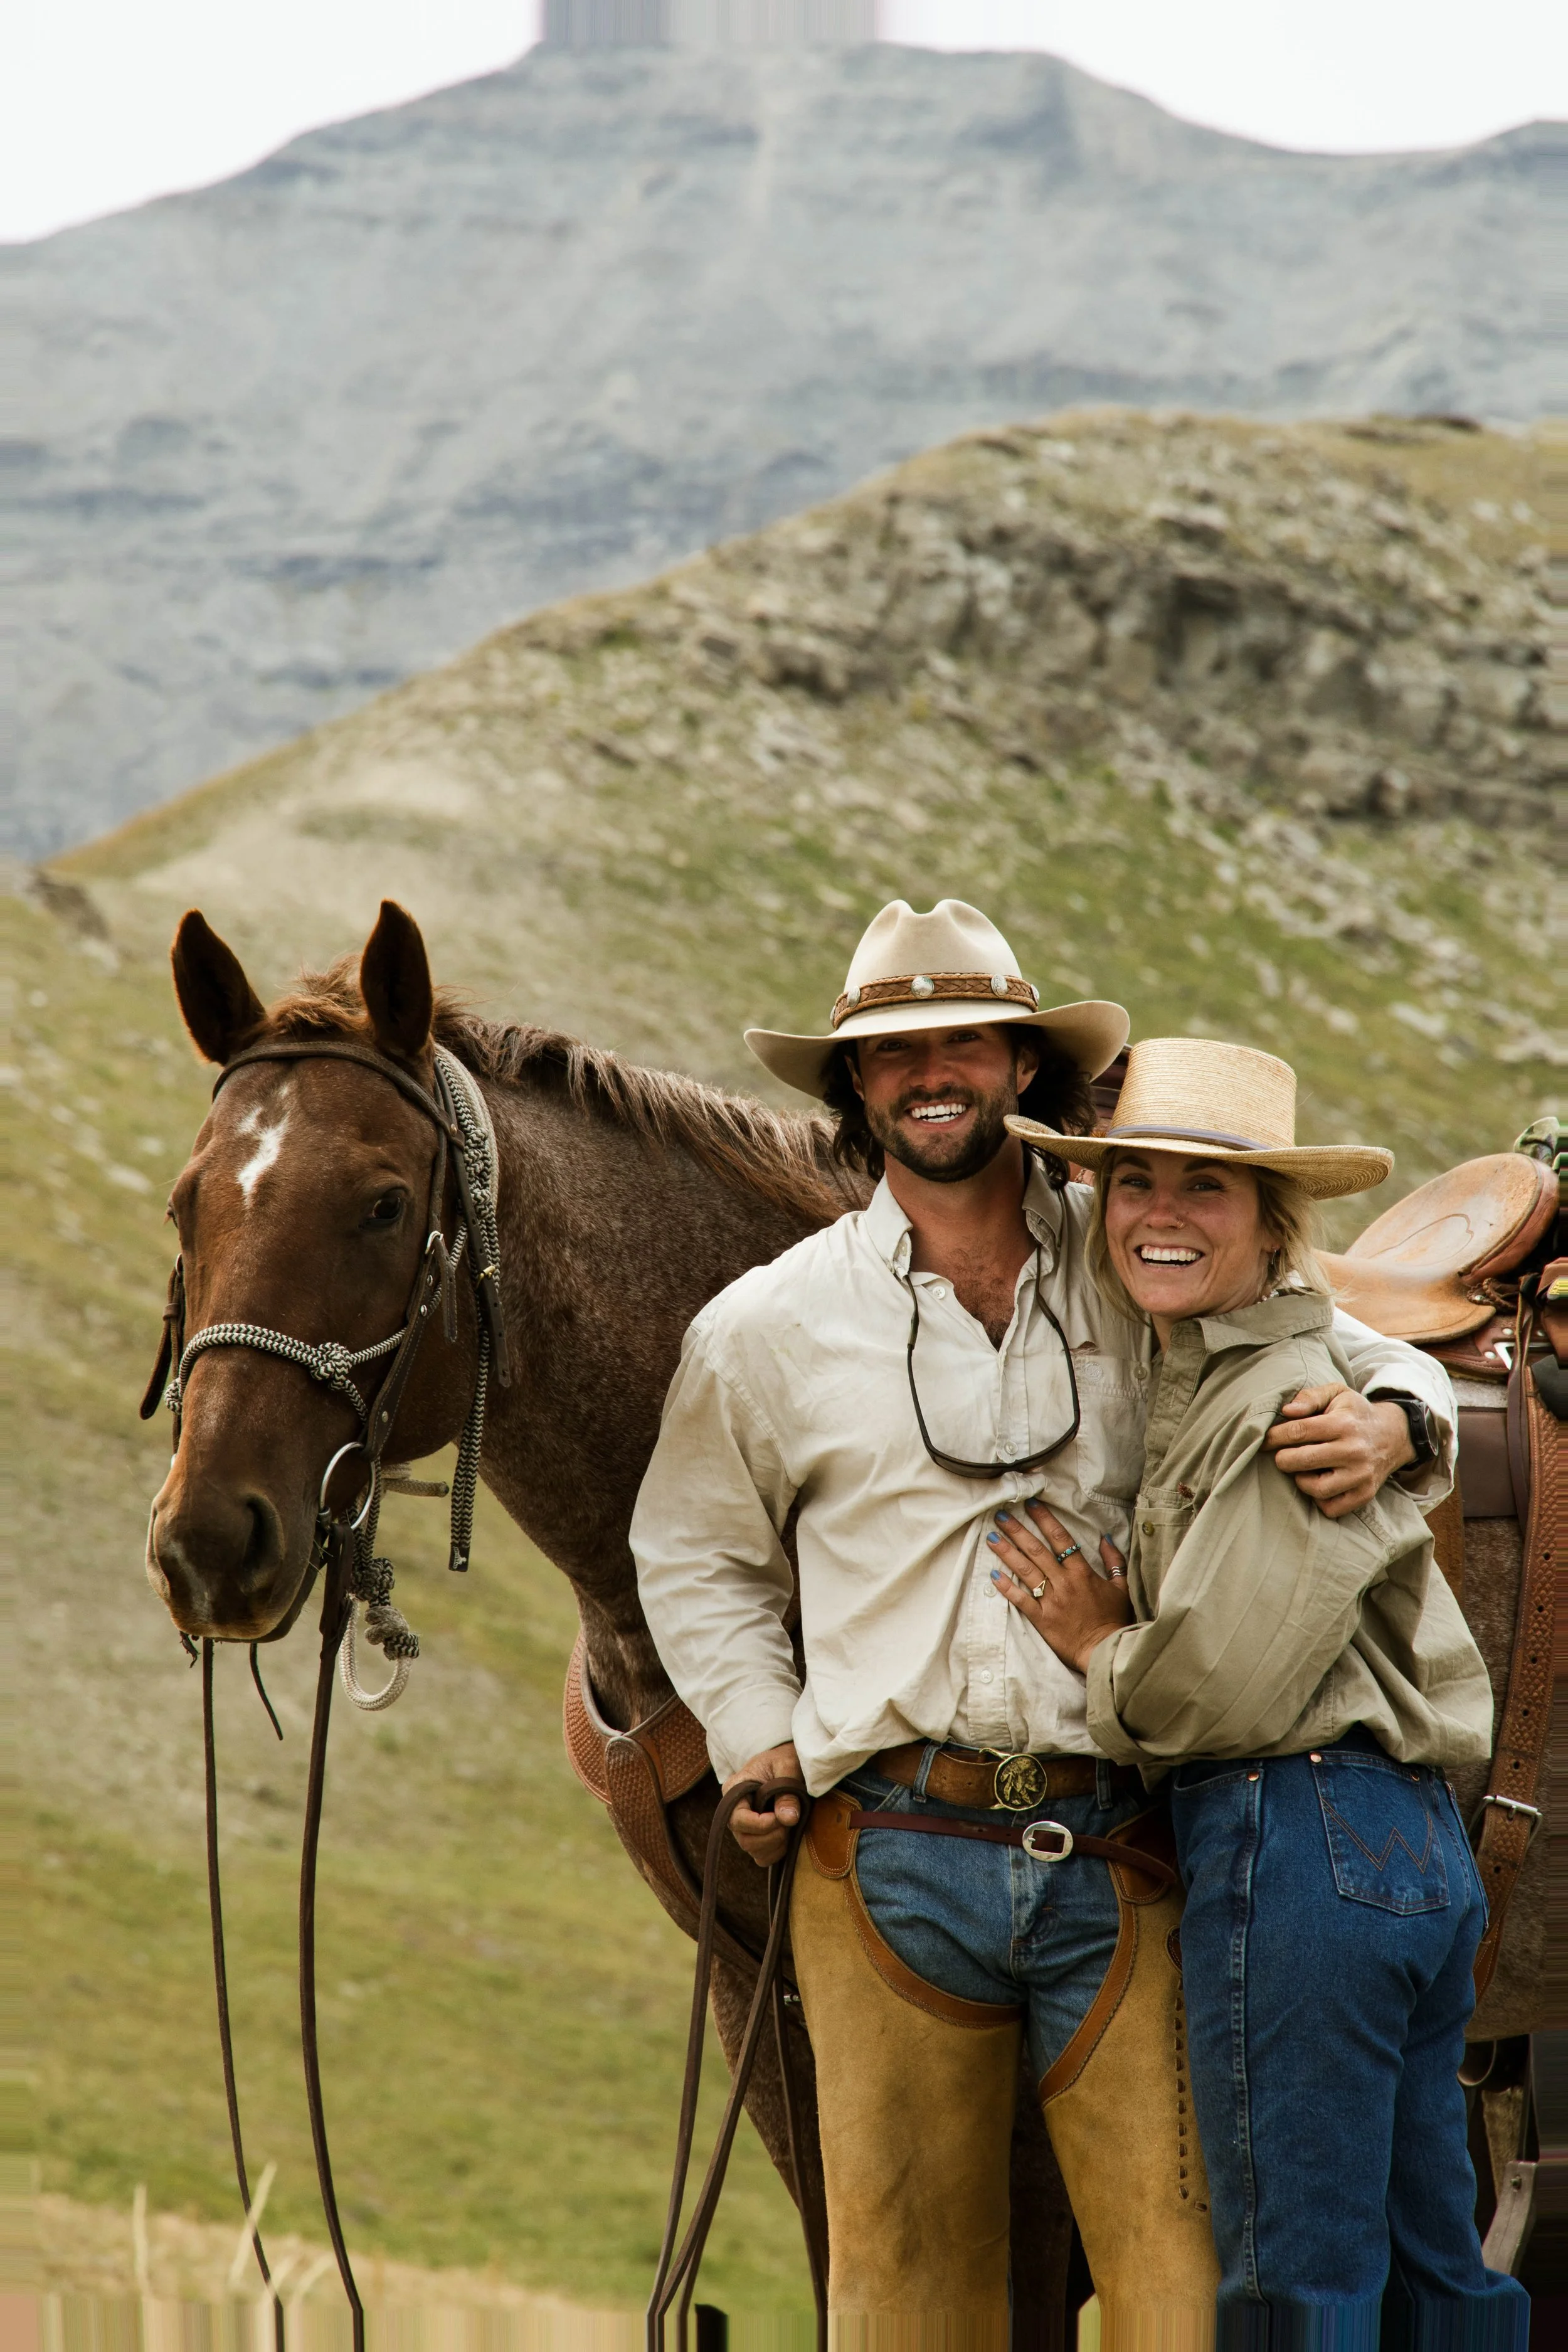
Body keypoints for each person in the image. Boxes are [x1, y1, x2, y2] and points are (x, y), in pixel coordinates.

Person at [631, 900, 1462, 2339]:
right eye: (892, 1053)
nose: (929, 1072)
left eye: (963, 1039)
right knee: (898, 2306)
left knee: (1183, 2299)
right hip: (884, 1849)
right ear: (851, 1086)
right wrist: (757, 1733)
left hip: (1133, 1840)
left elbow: (1347, 1338)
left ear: (1022, 1065)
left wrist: (1399, 1416)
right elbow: (698, 1557)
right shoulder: (765, 1325)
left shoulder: (1144, 1238)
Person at [993, 1035, 1525, 2344]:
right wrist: (1411, 1409)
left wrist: (1095, 1641)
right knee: (1430, 2273)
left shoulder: (1279, 1403)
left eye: (1204, 1188)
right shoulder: (1282, 1365)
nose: (1157, 1214)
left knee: (1294, 2283)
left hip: (1290, 1836)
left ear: (1274, 1225)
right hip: (1394, 1842)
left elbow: (1213, 1693)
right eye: (1132, 1184)